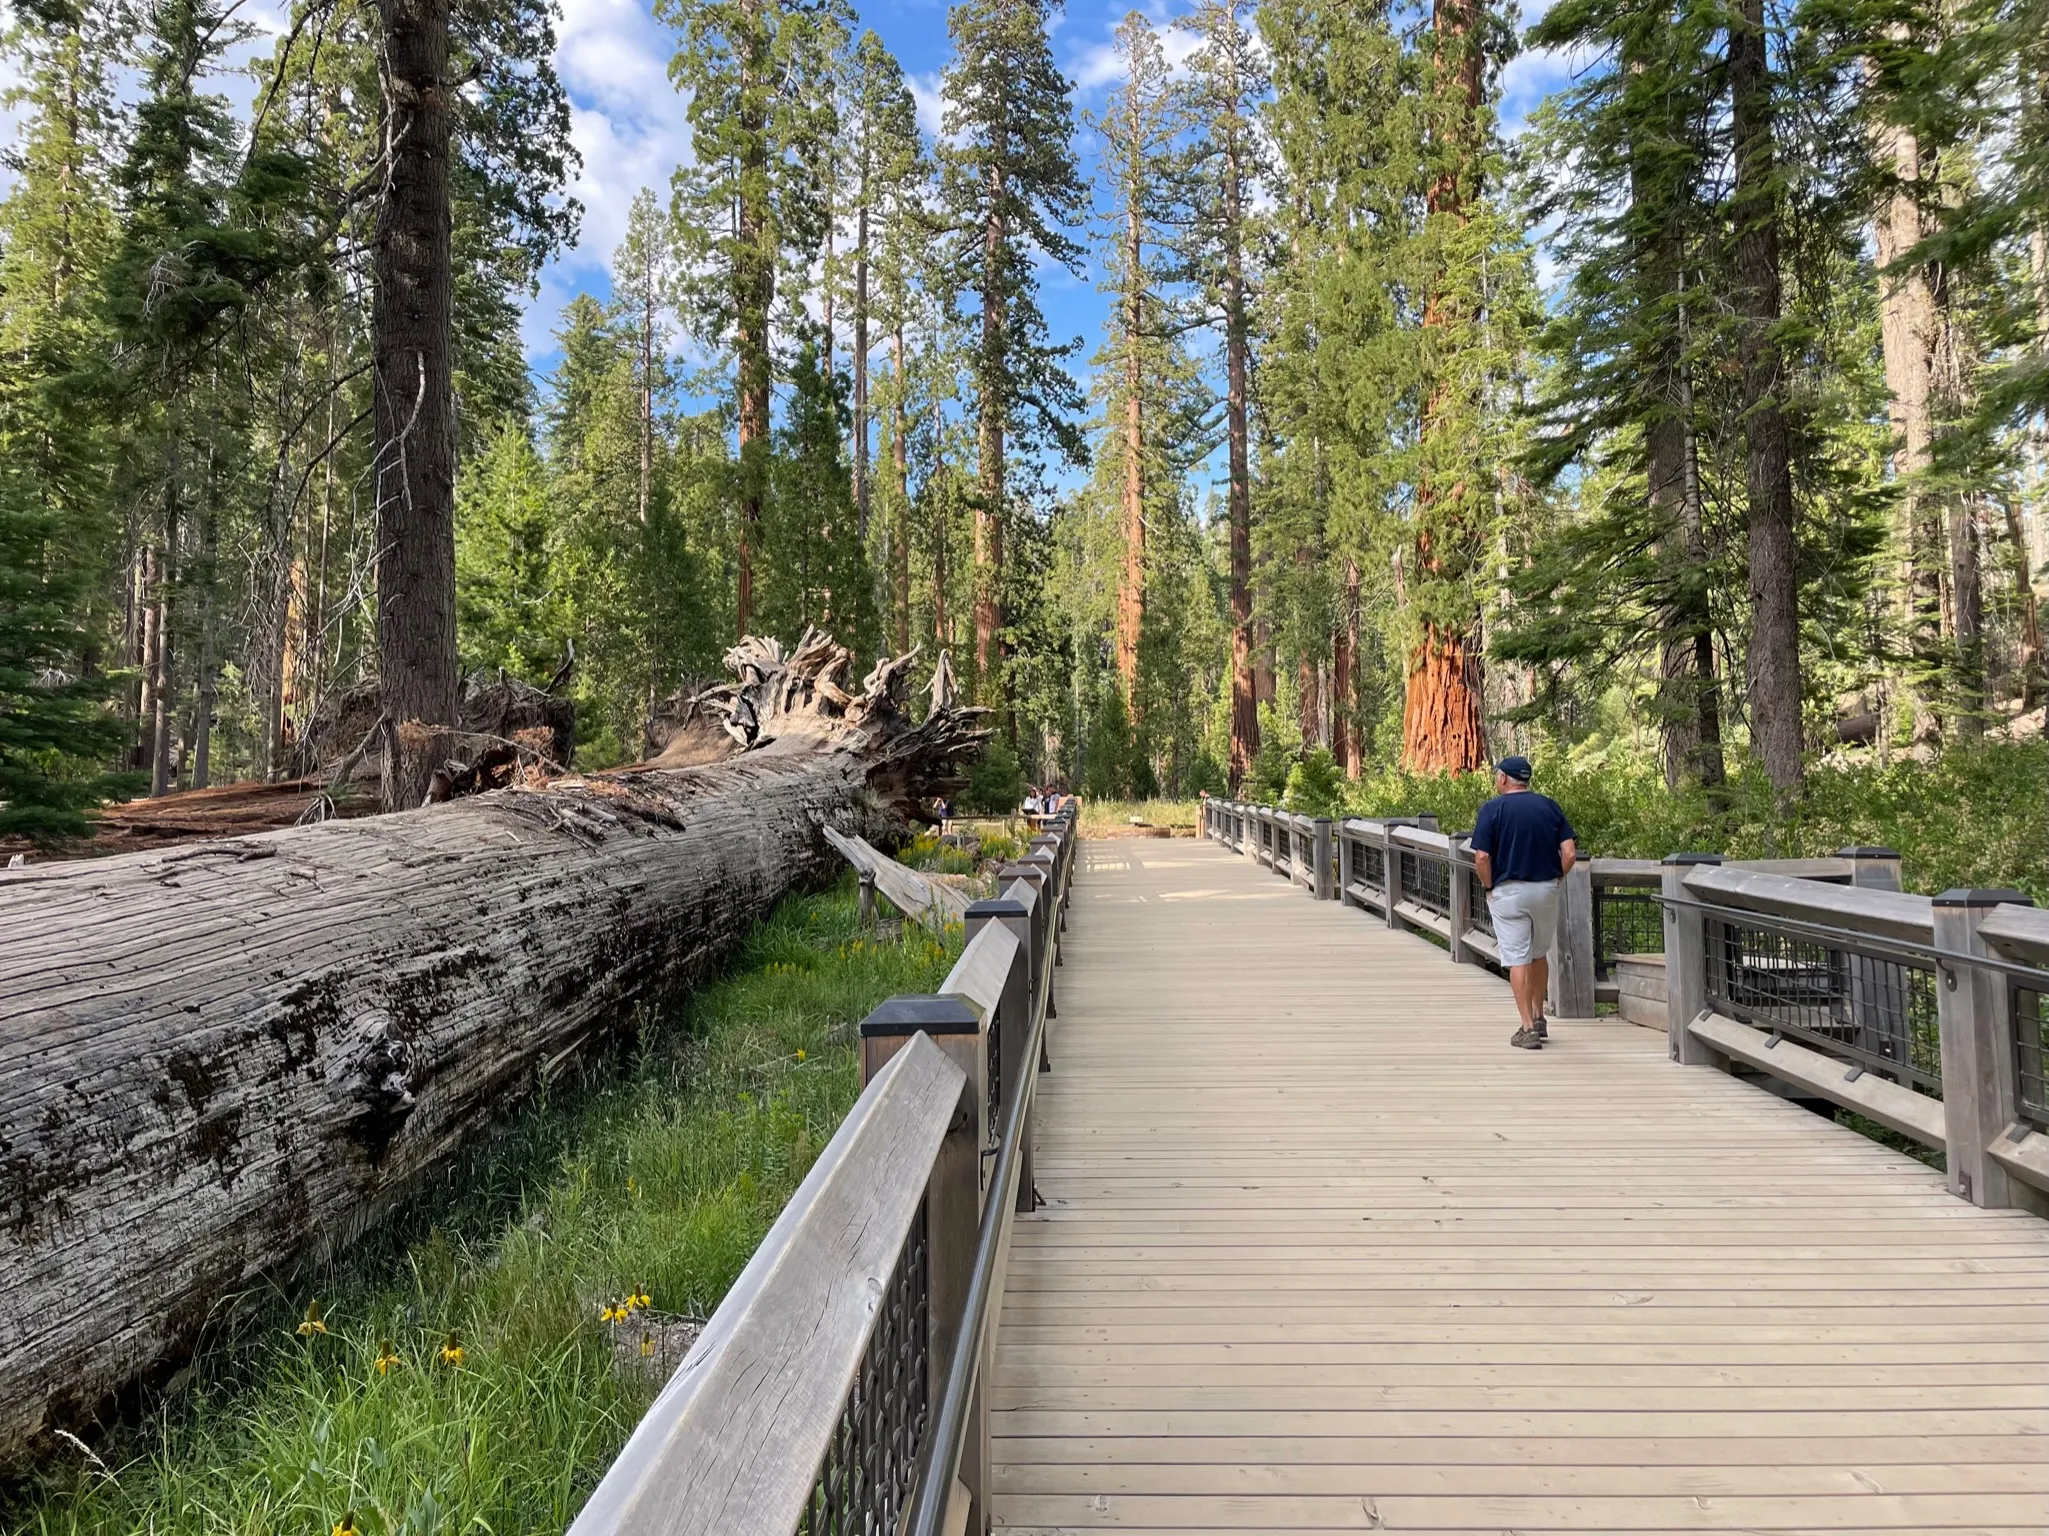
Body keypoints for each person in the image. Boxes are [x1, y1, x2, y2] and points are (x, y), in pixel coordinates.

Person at [1468, 755, 1577, 1051]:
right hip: (1545, 890)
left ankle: (1527, 1027)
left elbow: (1482, 857)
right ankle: (1540, 1015)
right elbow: (1569, 852)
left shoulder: (1492, 809)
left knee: (1517, 956)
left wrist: (1489, 886)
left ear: (1504, 778)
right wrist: (1557, 878)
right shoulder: (1549, 806)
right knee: (1539, 953)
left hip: (1509, 892)